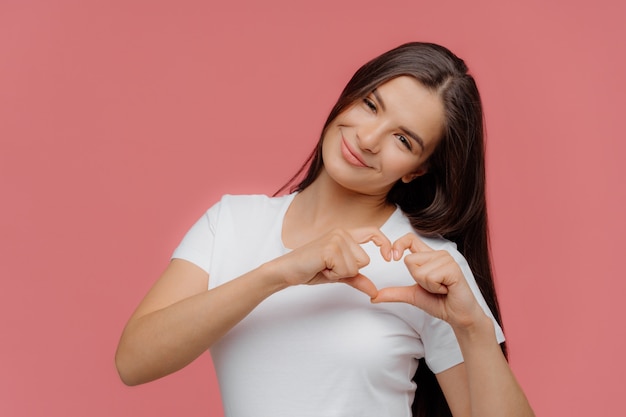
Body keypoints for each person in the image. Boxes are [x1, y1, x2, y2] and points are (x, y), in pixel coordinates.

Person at [115, 42, 534, 417]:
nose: (368, 138)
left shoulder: (426, 265)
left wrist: (475, 328)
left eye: (403, 140)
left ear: (418, 170)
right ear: (349, 95)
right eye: (371, 105)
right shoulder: (232, 223)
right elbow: (133, 361)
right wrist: (280, 272)